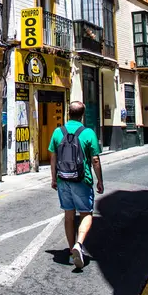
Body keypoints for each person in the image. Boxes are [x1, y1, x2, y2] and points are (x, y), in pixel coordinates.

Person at [48, 100, 104, 269]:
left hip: (63, 179)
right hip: (82, 180)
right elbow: (95, 159)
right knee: (86, 213)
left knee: (69, 215)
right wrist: (100, 180)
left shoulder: (58, 132)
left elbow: (53, 157)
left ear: (68, 113)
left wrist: (53, 178)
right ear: (82, 115)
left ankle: (72, 252)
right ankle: (79, 244)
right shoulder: (88, 133)